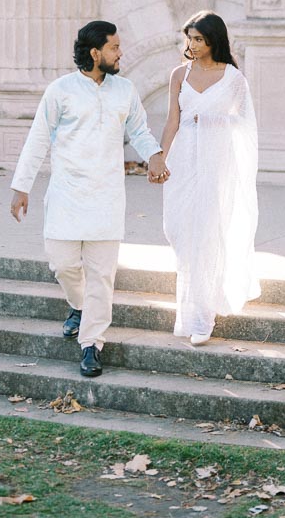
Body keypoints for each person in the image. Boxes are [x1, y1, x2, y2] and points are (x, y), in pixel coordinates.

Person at [9, 20, 168, 378]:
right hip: (66, 194)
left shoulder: (124, 89)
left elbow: (139, 129)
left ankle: (91, 344)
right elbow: (38, 139)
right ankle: (78, 306)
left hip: (107, 196)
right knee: (62, 264)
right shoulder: (61, 90)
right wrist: (22, 187)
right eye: (114, 47)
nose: (120, 53)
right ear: (95, 53)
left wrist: (154, 155)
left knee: (101, 274)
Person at [154, 11, 259, 345]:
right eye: (190, 39)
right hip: (183, 160)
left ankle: (201, 317)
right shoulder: (179, 75)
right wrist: (159, 157)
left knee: (207, 232)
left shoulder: (233, 79)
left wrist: (215, 125)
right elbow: (173, 121)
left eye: (199, 39)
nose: (193, 45)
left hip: (217, 162)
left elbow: (244, 124)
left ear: (214, 39)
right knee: (179, 229)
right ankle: (197, 303)